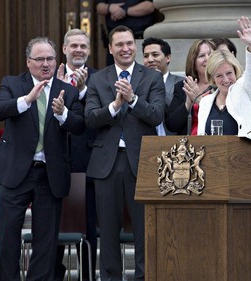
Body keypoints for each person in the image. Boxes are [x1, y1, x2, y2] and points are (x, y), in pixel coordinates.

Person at [0, 36, 85, 280]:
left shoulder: (67, 91)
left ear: (57, 61)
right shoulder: (13, 84)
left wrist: (62, 113)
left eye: (50, 58)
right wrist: (27, 100)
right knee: (8, 239)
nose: (45, 64)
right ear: (28, 62)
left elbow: (79, 125)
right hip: (15, 174)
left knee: (45, 245)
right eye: (40, 59)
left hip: (49, 175)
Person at [85, 25, 165, 281]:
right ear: (110, 49)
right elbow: (90, 119)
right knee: (108, 232)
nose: (126, 48)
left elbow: (156, 115)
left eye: (129, 43)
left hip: (142, 162)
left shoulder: (152, 77)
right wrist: (114, 106)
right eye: (119, 44)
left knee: (145, 231)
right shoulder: (98, 79)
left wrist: (132, 100)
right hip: (106, 165)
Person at [54, 28, 97, 281]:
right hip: (55, 163)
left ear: (89, 50)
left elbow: (95, 117)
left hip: (86, 163)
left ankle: (88, 276)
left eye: (83, 46)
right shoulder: (52, 78)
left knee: (86, 227)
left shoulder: (100, 79)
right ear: (64, 49)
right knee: (54, 228)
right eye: (73, 46)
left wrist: (81, 91)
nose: (78, 50)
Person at [196, 17, 251, 146]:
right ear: (212, 78)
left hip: (245, 159)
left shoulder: (246, 90)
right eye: (219, 76)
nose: (226, 80)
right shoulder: (205, 102)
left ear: (235, 71)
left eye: (229, 73)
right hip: (214, 161)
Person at [165, 39, 216, 135]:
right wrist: (188, 104)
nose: (207, 58)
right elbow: (172, 125)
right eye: (201, 56)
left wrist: (199, 100)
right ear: (193, 63)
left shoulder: (223, 84)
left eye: (211, 55)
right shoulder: (183, 86)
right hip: (189, 145)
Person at [142, 37, 184, 135]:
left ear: (168, 58)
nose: (150, 59)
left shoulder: (182, 82)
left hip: (174, 141)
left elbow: (178, 110)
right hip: (145, 140)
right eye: (146, 56)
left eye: (155, 55)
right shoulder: (139, 84)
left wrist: (158, 83)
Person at [96, 0, 157, 65]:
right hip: (115, 40)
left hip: (139, 39)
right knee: (113, 72)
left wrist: (125, 11)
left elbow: (150, 6)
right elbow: (99, 7)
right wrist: (110, 7)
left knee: (140, 71)